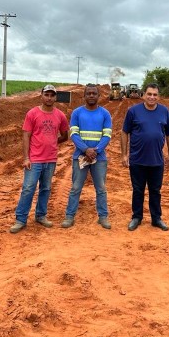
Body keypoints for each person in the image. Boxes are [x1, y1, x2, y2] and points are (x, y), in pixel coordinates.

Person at [10, 84, 69, 234]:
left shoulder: (60, 115)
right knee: (28, 188)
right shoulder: (32, 113)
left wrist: (54, 142)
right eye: (46, 95)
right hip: (35, 159)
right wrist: (26, 158)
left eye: (52, 95)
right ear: (41, 96)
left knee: (46, 188)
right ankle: (20, 219)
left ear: (55, 97)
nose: (49, 98)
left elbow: (65, 135)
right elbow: (26, 135)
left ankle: (41, 215)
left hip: (51, 159)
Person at [121, 83, 169, 231]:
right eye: (149, 94)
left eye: (155, 95)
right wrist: (124, 155)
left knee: (155, 191)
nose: (152, 97)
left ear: (159, 96)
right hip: (137, 159)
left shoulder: (165, 112)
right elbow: (124, 132)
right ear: (143, 95)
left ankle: (156, 218)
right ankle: (136, 217)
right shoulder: (133, 111)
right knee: (138, 190)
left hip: (157, 160)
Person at [61, 84, 113, 229]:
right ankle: (69, 217)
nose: (91, 95)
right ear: (84, 96)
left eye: (94, 93)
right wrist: (85, 149)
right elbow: (74, 134)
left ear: (98, 96)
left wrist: (95, 150)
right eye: (88, 93)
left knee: (101, 188)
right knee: (76, 187)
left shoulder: (105, 114)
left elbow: (107, 135)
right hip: (80, 156)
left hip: (99, 157)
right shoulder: (77, 113)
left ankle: (103, 217)